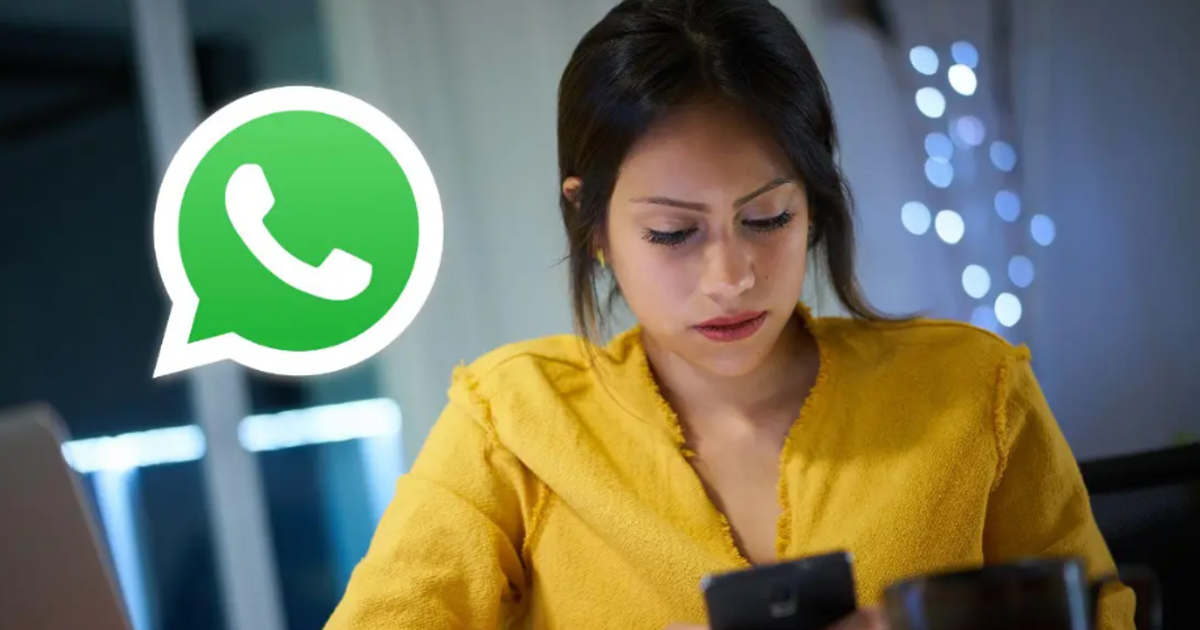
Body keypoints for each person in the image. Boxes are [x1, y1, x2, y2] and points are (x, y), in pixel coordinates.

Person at [324, 0, 1135, 628]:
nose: (731, 278)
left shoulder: (972, 390)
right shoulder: (511, 424)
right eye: (673, 233)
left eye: (768, 218)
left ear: (813, 202)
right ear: (591, 222)